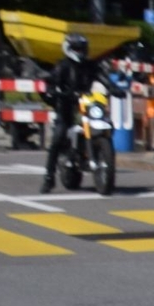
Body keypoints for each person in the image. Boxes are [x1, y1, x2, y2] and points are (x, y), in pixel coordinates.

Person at [40, 33, 104, 192]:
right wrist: (52, 91)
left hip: (86, 105)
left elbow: (103, 77)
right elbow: (51, 81)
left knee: (104, 124)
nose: (80, 52)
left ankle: (99, 155)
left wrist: (114, 87)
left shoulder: (90, 65)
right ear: (68, 48)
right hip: (66, 108)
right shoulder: (62, 65)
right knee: (57, 138)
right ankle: (49, 177)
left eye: (82, 49)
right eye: (76, 49)